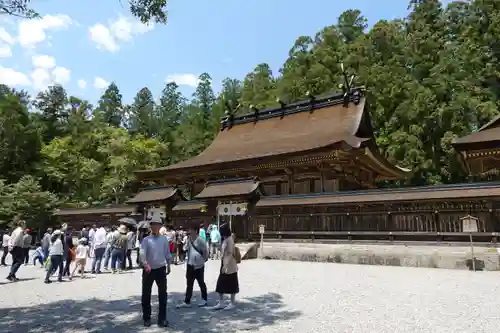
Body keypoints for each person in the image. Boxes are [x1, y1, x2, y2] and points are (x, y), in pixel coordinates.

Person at [139, 220, 171, 328]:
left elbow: (167, 252)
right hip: (149, 270)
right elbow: (142, 253)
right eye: (153, 225)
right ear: (150, 227)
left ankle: (162, 319)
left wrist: (169, 264)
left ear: (160, 226)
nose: (155, 227)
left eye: (157, 225)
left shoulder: (164, 239)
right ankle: (147, 318)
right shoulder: (146, 240)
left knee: (163, 294)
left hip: (161, 268)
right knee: (146, 294)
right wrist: (145, 264)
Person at [176, 222, 209, 308]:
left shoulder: (200, 240)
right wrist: (183, 244)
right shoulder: (189, 239)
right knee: (189, 283)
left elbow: (205, 251)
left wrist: (203, 260)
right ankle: (187, 301)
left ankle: (204, 299)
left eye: (190, 229)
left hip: (199, 265)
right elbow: (185, 248)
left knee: (201, 282)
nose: (189, 231)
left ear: (195, 230)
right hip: (190, 264)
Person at [210, 223, 239, 310]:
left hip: (230, 265)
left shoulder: (229, 240)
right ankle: (221, 302)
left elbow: (230, 253)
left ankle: (232, 303)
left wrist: (225, 265)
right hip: (225, 263)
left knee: (232, 283)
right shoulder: (226, 239)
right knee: (221, 283)